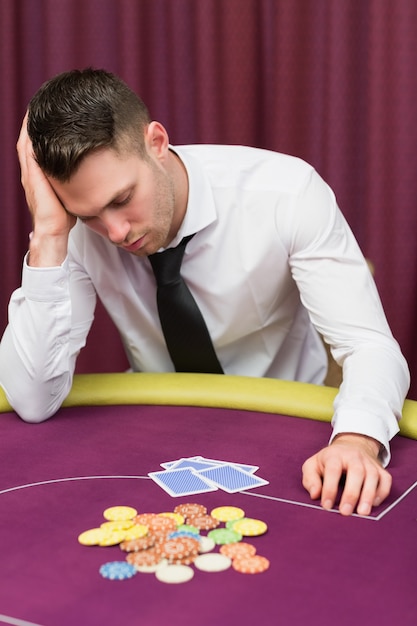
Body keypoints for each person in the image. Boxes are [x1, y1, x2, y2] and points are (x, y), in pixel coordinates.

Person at [0, 68, 409, 517]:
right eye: (89, 214)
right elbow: (34, 401)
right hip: (153, 426)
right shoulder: (74, 229)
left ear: (156, 143)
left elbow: (369, 345)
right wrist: (49, 233)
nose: (115, 232)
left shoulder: (286, 193)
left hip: (291, 421)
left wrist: (356, 440)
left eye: (122, 199)